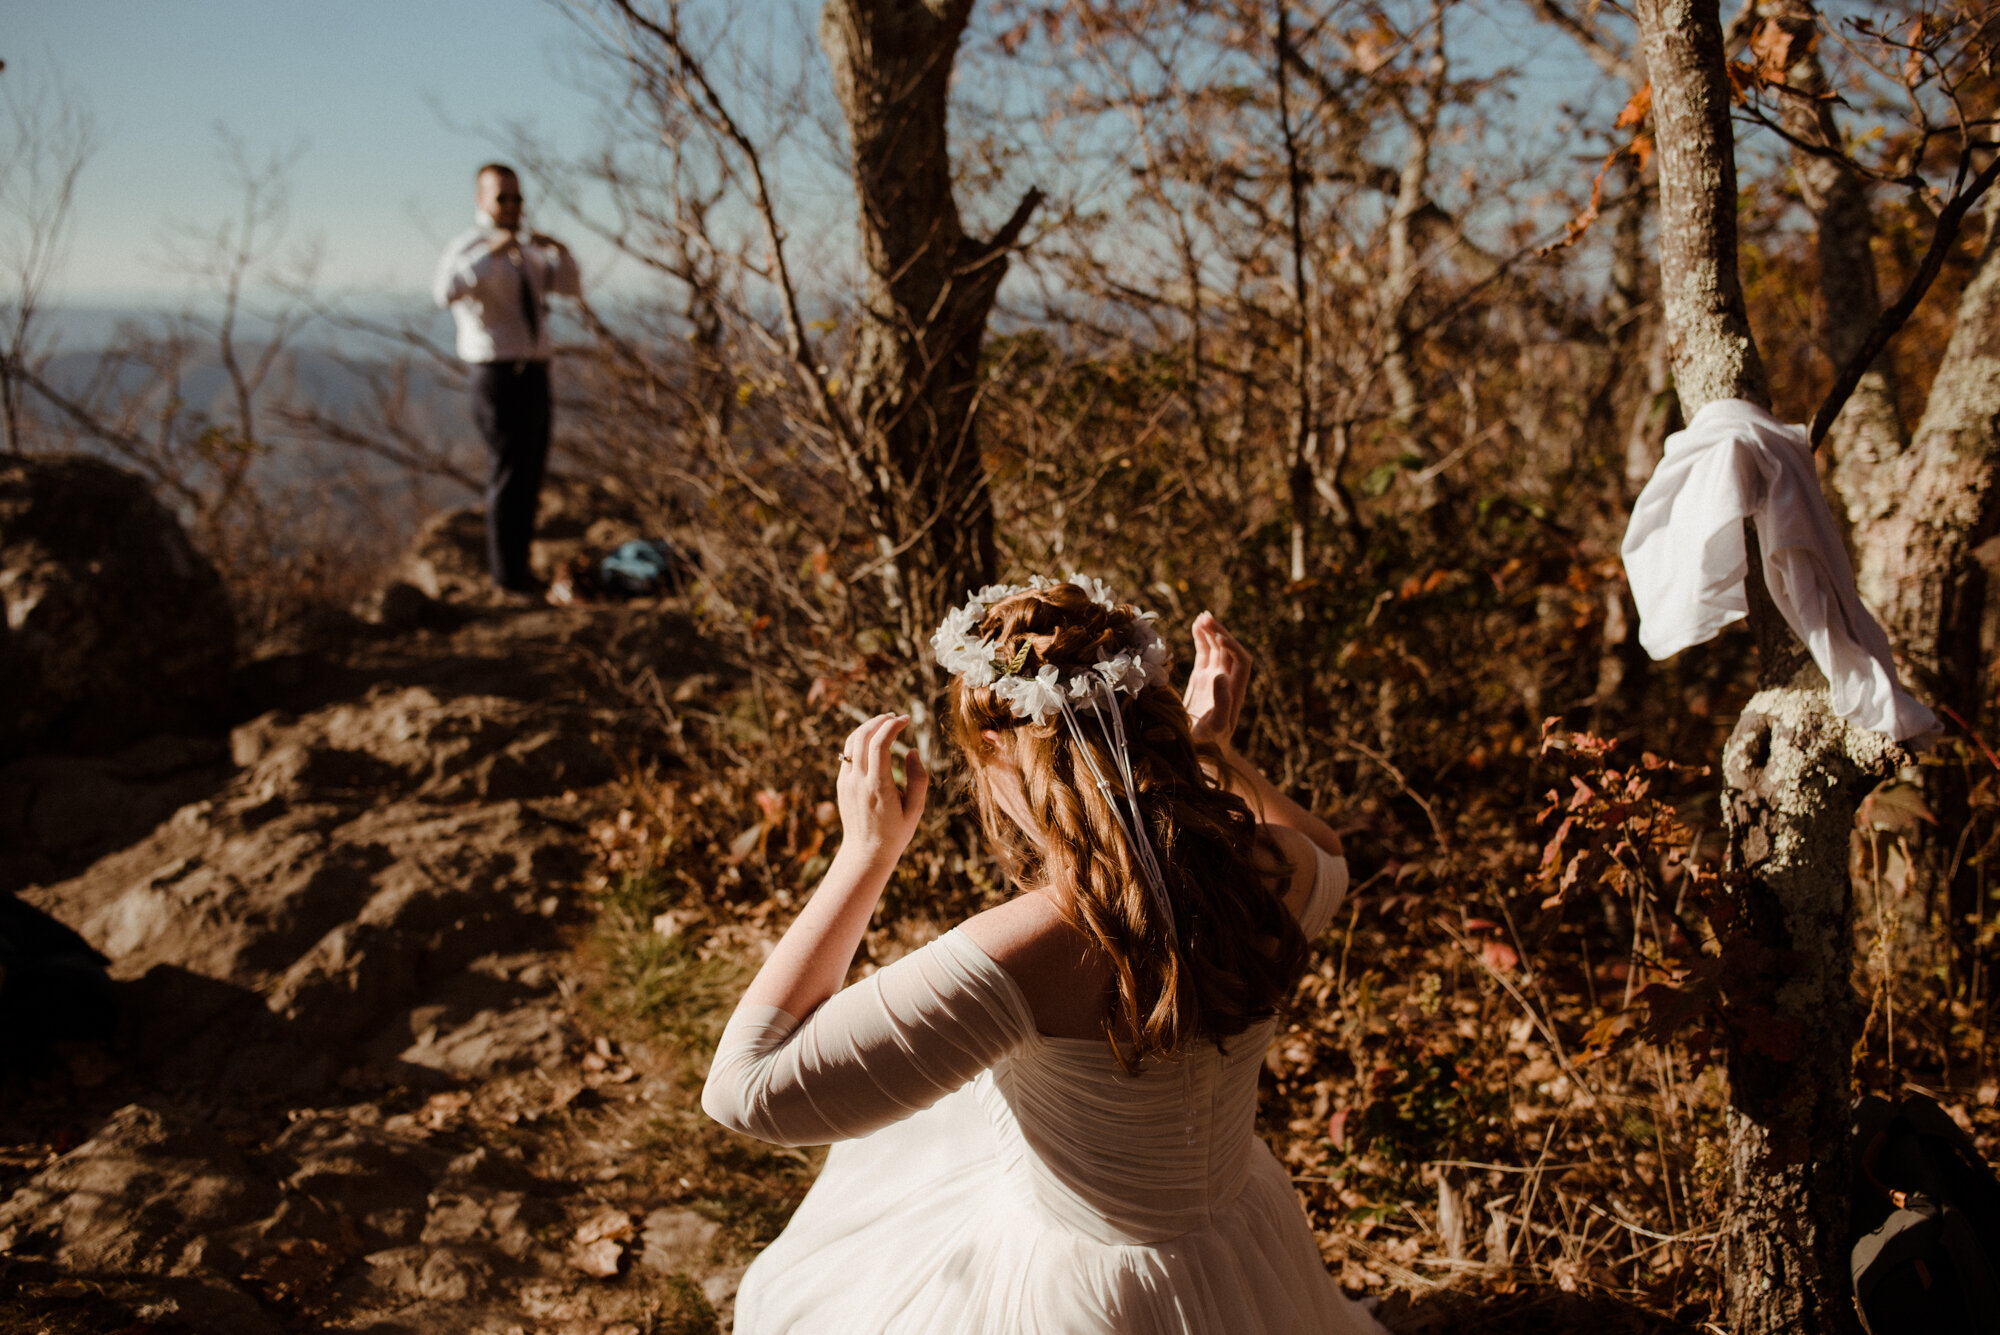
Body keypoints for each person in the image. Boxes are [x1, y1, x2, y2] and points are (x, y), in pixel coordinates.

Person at [702, 576, 1389, 1335]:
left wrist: (863, 855)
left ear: (996, 746)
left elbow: (744, 1088)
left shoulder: (1028, 947)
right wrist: (1213, 751)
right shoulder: (1270, 871)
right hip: (1245, 1247)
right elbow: (1330, 854)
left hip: (1089, 1298)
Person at [432, 163, 580, 595]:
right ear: (482, 201)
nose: (512, 206)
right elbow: (445, 292)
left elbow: (569, 288)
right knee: (509, 471)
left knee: (531, 472)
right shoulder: (469, 247)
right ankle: (505, 575)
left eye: (517, 198)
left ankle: (520, 568)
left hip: (535, 370)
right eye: (503, 198)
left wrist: (561, 251)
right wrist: (490, 252)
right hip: (495, 374)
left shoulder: (528, 252)